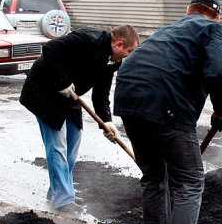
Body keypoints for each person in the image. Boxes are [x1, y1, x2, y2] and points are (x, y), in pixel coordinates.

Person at [113, 0, 222, 224]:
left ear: (188, 10)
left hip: (129, 100)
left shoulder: (168, 30)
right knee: (190, 182)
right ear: (215, 15)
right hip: (166, 104)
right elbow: (219, 72)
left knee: (154, 179)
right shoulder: (213, 29)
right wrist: (221, 112)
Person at [20, 26, 139, 211]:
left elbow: (101, 94)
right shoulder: (86, 39)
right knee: (57, 146)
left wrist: (106, 121)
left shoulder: (113, 61)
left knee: (72, 145)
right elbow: (50, 48)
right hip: (44, 93)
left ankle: (57, 194)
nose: (128, 56)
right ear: (119, 44)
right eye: (129, 51)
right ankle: (63, 200)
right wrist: (62, 81)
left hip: (69, 97)